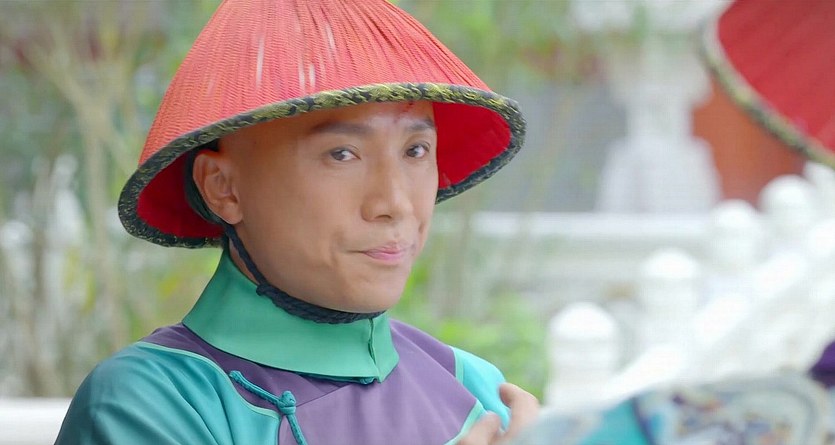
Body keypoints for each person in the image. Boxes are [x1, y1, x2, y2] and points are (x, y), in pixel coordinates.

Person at [55, 0, 538, 443]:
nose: (394, 203)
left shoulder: (472, 387)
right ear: (223, 187)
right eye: (342, 154)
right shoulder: (153, 403)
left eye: (416, 150)